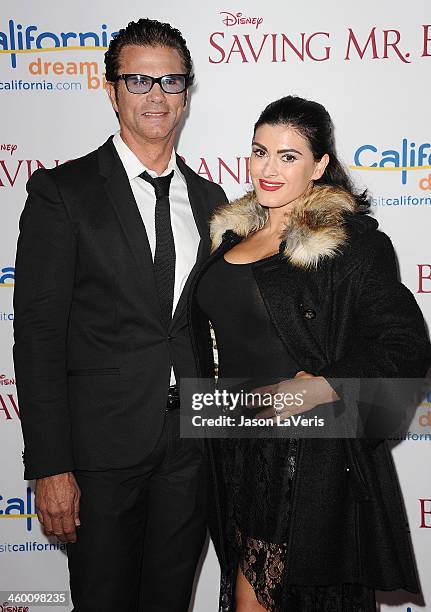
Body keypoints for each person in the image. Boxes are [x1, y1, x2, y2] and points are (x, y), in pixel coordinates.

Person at [13, 18, 227, 612]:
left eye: (171, 81)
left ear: (187, 91)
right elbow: (36, 338)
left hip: (191, 448)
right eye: (139, 80)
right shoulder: (64, 192)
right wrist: (50, 465)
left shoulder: (213, 203)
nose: (157, 96)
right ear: (111, 91)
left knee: (170, 601)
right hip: (98, 453)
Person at [188, 96, 430, 611]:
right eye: (259, 152)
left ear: (320, 165)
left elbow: (405, 344)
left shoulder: (350, 245)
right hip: (230, 445)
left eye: (288, 156)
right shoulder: (230, 234)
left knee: (258, 601)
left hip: (301, 453)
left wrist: (321, 386)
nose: (268, 168)